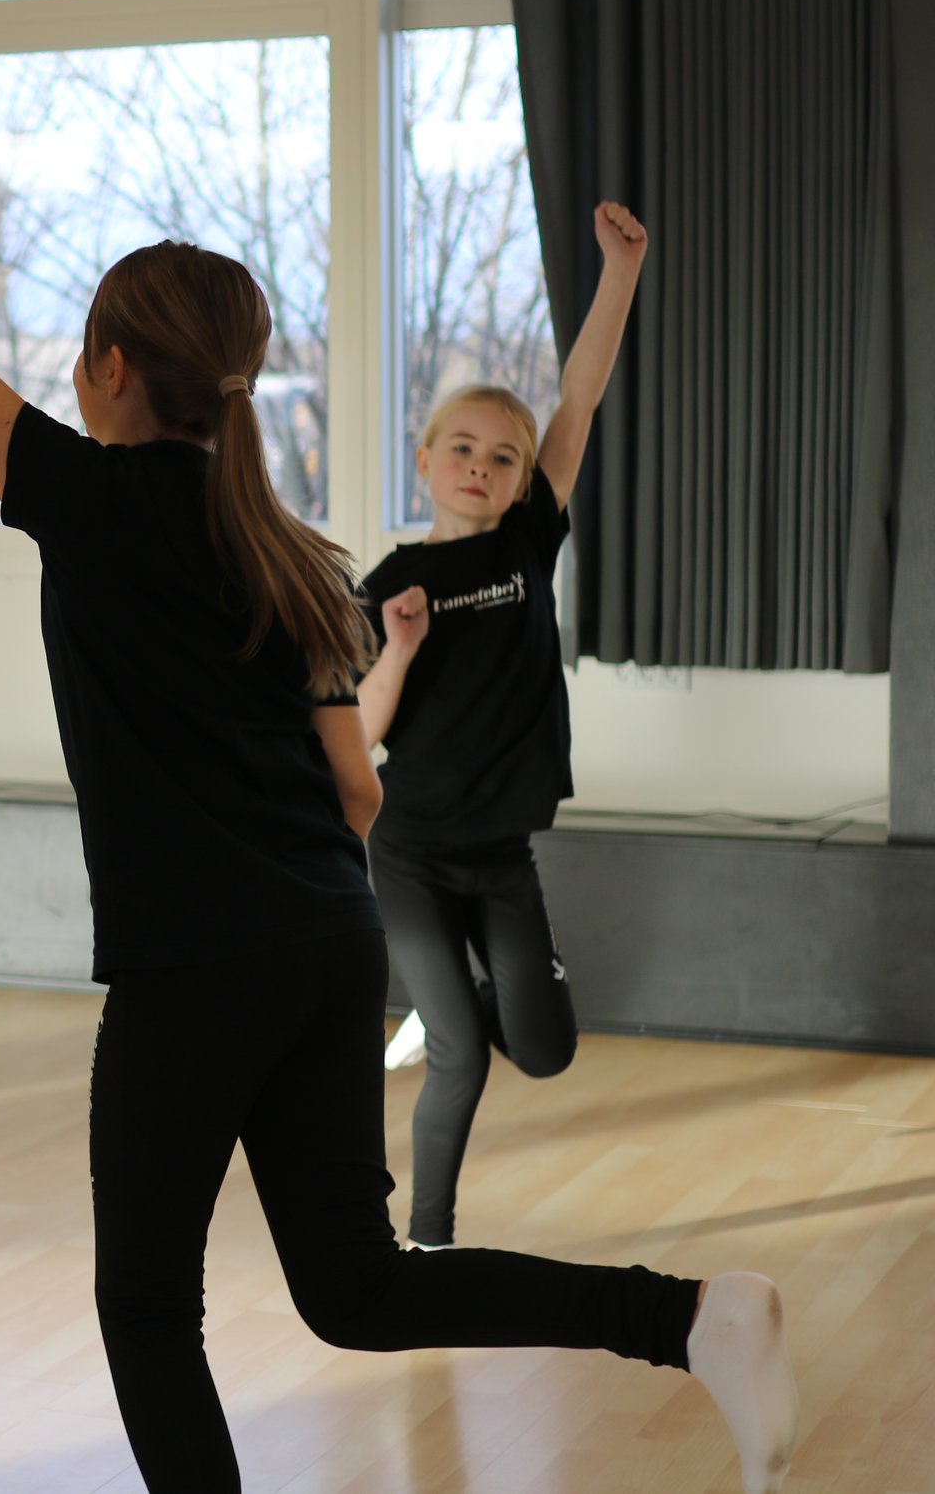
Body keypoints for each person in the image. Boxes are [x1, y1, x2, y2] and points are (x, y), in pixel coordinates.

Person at [0, 76, 793, 1492]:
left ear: (105, 366)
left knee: (148, 1306)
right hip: (328, 946)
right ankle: (692, 1314)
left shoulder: (87, 505)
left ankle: (688, 1315)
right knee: (356, 1284)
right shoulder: (288, 547)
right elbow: (354, 793)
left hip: (195, 966)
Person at [359, 202, 647, 1252]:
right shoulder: (390, 583)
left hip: (502, 852)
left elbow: (577, 397)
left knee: (546, 1051)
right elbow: (361, 726)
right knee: (460, 1060)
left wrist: (617, 272)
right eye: (464, 448)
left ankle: (462, 999)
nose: (482, 465)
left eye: (505, 456)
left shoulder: (526, 542)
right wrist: (395, 646)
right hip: (411, 852)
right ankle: (425, 1241)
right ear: (427, 457)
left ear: (526, 480)